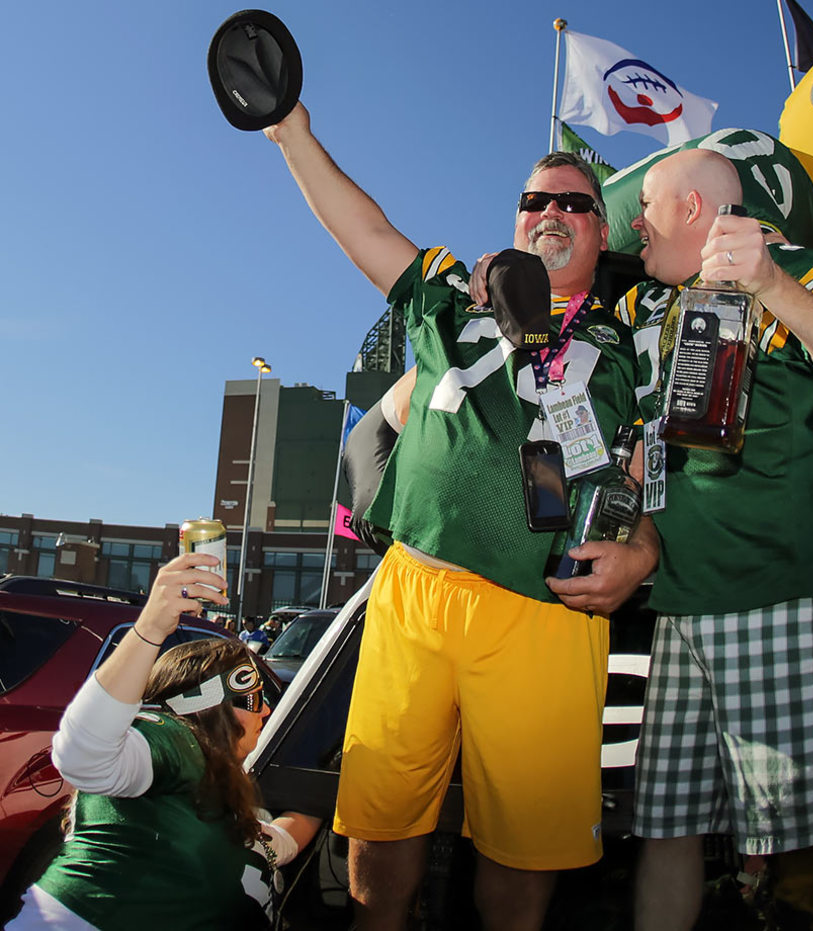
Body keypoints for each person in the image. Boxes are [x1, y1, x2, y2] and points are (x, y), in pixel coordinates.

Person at [261, 102, 649, 930]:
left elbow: (658, 476)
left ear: (600, 234)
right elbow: (368, 232)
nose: (551, 211)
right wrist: (293, 131)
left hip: (544, 612)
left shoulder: (632, 341)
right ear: (515, 220)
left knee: (523, 856)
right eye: (535, 200)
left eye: (575, 203)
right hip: (413, 595)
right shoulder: (449, 297)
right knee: (379, 827)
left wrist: (642, 548)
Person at [609, 147, 813, 931]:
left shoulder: (804, 271)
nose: (637, 224)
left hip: (780, 597)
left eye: (648, 207)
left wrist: (768, 281)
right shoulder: (643, 308)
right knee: (665, 824)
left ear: (694, 208)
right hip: (680, 608)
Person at [7, 552, 319, 930]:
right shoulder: (175, 739)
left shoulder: (220, 798)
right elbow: (82, 755)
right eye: (252, 698)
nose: (266, 710)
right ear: (204, 707)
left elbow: (280, 843)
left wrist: (330, 786)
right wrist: (149, 629)